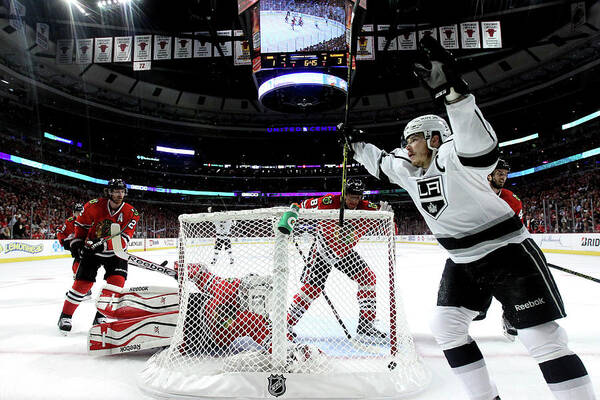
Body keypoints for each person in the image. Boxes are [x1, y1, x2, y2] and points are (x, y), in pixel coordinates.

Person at [344, 36, 595, 400]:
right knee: (446, 326)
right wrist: (356, 144)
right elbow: (382, 162)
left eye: (412, 140)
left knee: (542, 338)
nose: (406, 146)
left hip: (507, 254)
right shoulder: (408, 168)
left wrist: (454, 95)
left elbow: (479, 144)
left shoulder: (454, 154)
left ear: (433, 138)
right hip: (463, 261)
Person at [285, 178, 392, 341]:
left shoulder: (368, 208)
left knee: (368, 278)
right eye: (351, 196)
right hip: (323, 250)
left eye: (357, 197)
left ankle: (365, 326)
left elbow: (392, 227)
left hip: (344, 253)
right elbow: (302, 205)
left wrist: (386, 218)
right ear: (344, 194)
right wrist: (292, 216)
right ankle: (285, 325)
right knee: (311, 289)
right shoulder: (328, 201)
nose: (354, 201)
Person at [57, 179, 140, 334]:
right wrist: (77, 243)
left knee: (116, 285)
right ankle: (65, 316)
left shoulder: (132, 212)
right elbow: (81, 226)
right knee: (83, 285)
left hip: (116, 253)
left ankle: (101, 315)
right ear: (108, 192)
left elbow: (125, 238)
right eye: (116, 191)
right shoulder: (93, 205)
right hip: (92, 251)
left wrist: (105, 244)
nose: (119, 194)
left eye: (122, 191)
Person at [474, 159, 523, 340]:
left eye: (505, 174)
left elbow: (518, 227)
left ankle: (511, 316)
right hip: (479, 249)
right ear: (490, 175)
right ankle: (479, 305)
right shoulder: (476, 195)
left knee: (513, 283)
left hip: (505, 249)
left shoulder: (512, 200)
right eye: (499, 173)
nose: (503, 177)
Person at [56, 203, 92, 301]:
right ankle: (83, 290)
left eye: (81, 212)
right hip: (76, 248)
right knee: (76, 267)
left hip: (87, 247)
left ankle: (83, 290)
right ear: (73, 213)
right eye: (77, 212)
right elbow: (60, 231)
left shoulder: (89, 220)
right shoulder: (70, 221)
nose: (79, 214)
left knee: (81, 267)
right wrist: (63, 241)